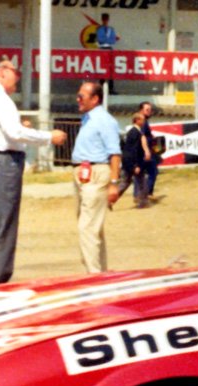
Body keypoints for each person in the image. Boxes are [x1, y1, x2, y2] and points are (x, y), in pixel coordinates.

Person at [0, 57, 66, 284]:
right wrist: (48, 137)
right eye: (14, 71)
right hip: (4, 164)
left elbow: (3, 130)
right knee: (4, 231)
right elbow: (14, 133)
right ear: (2, 73)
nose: (17, 76)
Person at [71, 81, 121, 273]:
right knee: (93, 228)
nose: (78, 100)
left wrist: (114, 184)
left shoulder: (104, 120)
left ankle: (93, 274)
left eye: (82, 96)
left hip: (96, 174)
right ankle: (100, 271)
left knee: (87, 228)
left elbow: (114, 153)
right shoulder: (88, 119)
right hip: (82, 174)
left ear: (95, 99)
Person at [117, 112, 148, 208]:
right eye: (142, 119)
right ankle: (142, 202)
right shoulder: (135, 133)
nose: (144, 121)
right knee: (142, 182)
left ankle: (111, 199)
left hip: (127, 161)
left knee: (125, 182)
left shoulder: (131, 132)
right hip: (133, 161)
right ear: (137, 120)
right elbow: (134, 150)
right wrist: (136, 165)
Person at [138, 101, 161, 198]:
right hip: (145, 151)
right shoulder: (142, 121)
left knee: (141, 174)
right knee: (153, 171)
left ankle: (143, 194)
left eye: (150, 110)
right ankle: (147, 194)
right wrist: (147, 150)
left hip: (145, 150)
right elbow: (142, 136)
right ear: (141, 110)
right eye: (147, 110)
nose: (149, 111)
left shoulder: (143, 120)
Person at [96, 13, 118, 93]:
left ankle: (111, 89)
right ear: (102, 19)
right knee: (102, 68)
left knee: (110, 69)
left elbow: (113, 40)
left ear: (108, 20)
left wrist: (106, 39)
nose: (105, 21)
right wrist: (107, 39)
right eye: (104, 19)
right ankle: (101, 88)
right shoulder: (99, 29)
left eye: (106, 19)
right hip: (102, 49)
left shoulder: (111, 29)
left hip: (109, 48)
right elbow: (100, 39)